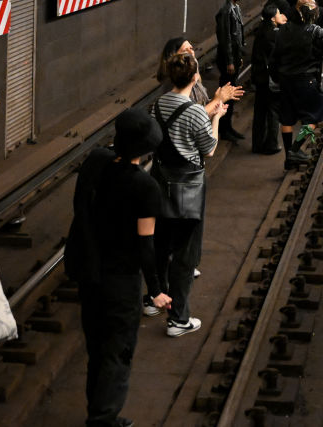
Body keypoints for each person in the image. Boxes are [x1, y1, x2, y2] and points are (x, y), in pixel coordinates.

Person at [66, 108, 171, 426]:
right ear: (148, 149)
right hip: (120, 280)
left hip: (89, 271)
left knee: (97, 346)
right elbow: (145, 245)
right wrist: (156, 290)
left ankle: (98, 411)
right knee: (119, 349)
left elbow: (81, 205)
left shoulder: (95, 162)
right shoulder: (144, 187)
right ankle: (102, 419)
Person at [151, 53, 221, 337]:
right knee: (185, 255)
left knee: (161, 245)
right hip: (188, 188)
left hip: (160, 182)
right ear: (194, 78)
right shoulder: (194, 110)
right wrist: (215, 117)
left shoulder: (158, 104)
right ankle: (179, 319)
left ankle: (157, 299)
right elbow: (210, 149)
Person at [272, 0, 323, 169]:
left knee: (287, 118)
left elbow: (275, 56)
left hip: (285, 80)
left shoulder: (283, 30)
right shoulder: (314, 31)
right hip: (307, 81)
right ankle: (295, 149)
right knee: (316, 115)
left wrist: (276, 76)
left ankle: (289, 158)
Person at [251, 4, 287, 154]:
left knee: (259, 111)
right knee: (273, 111)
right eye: (279, 14)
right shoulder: (274, 34)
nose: (281, 16)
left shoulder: (260, 30)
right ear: (273, 18)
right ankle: (271, 144)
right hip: (269, 79)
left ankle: (257, 144)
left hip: (259, 77)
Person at [215, 0, 246, 143]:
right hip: (227, 58)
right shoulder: (226, 12)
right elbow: (225, 38)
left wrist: (238, 57)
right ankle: (223, 128)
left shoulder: (236, 8)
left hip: (234, 56)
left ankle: (228, 127)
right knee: (227, 93)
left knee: (232, 93)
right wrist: (230, 61)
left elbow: (238, 36)